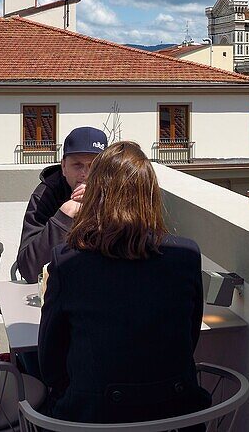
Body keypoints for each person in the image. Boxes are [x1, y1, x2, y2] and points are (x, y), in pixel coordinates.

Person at [37, 141, 211, 424]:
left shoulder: (68, 263)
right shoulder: (186, 256)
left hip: (93, 420)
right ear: (150, 194)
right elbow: (188, 338)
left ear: (95, 194)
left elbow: (50, 364)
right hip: (176, 416)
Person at [15, 126, 107, 284]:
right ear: (63, 166)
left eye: (93, 166)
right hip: (62, 289)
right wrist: (66, 214)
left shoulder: (117, 193)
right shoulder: (46, 194)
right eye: (77, 165)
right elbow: (29, 269)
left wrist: (97, 202)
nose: (85, 173)